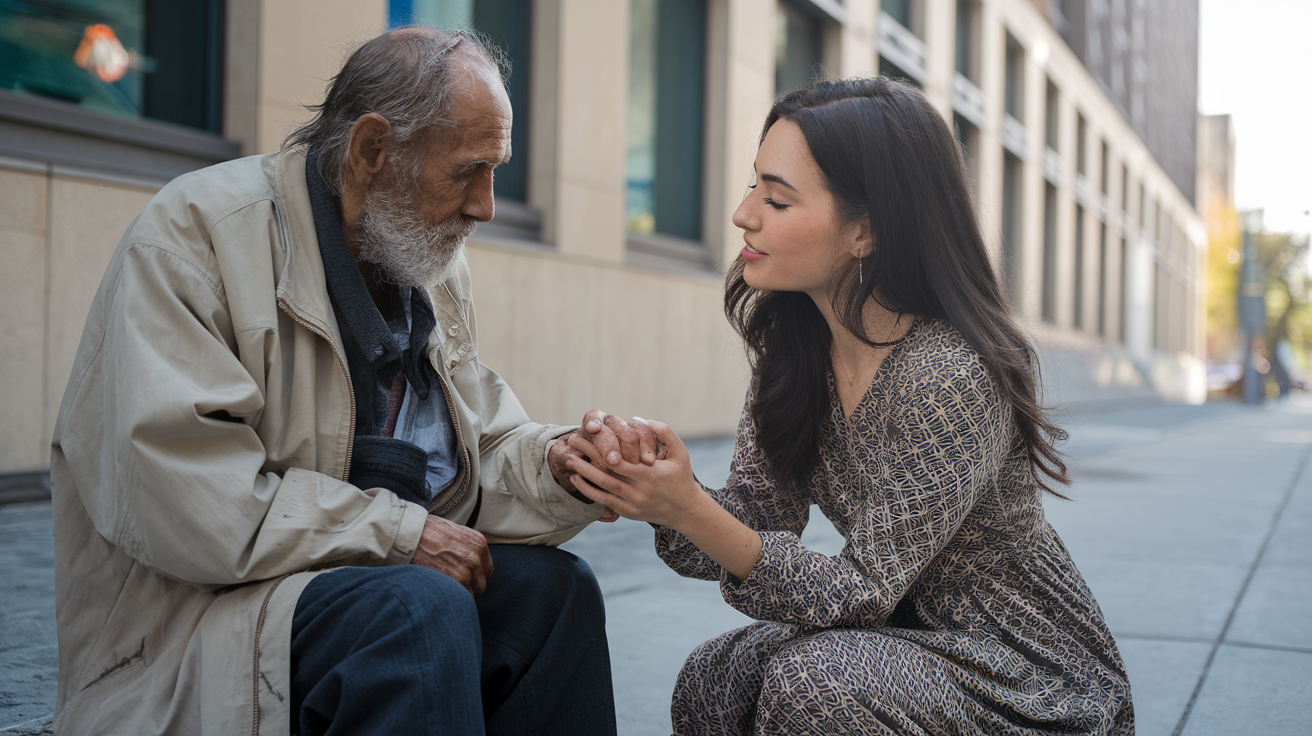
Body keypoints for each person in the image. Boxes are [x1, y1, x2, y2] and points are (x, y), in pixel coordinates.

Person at [50, 28, 619, 736]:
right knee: (417, 608)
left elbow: (469, 460)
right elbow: (193, 505)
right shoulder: (194, 235)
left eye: (495, 171)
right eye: (469, 171)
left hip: (342, 589)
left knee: (556, 595)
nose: (487, 206)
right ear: (373, 151)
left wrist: (561, 466)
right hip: (186, 635)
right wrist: (403, 534)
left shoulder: (426, 260)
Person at [565, 78, 1135, 735]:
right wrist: (656, 489)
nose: (743, 214)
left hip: (1023, 674)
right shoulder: (798, 352)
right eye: (754, 185)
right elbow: (752, 523)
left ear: (864, 231)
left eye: (776, 198)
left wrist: (687, 508)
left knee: (814, 684)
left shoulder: (950, 375)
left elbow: (856, 593)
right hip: (897, 647)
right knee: (714, 677)